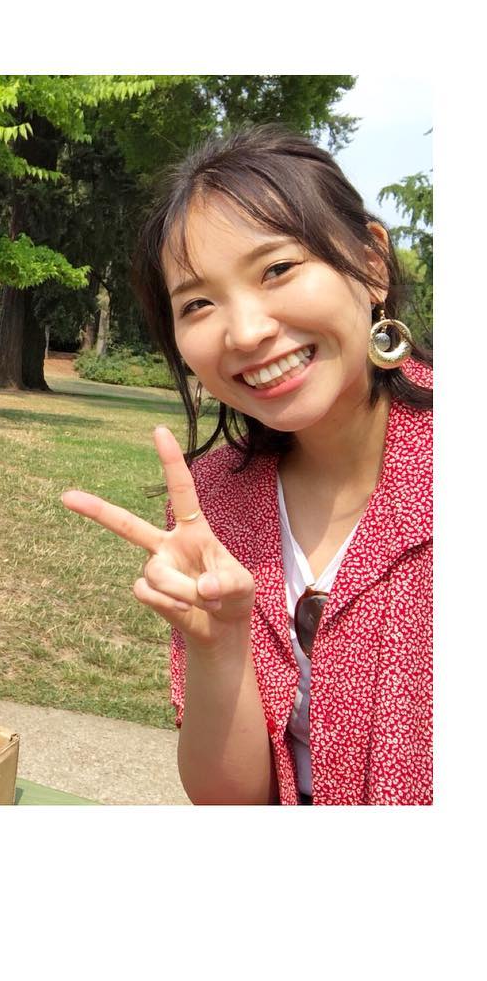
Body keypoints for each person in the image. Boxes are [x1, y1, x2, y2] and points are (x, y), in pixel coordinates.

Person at [63, 125, 432, 805]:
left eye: (277, 269)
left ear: (371, 264)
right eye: (198, 304)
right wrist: (218, 646)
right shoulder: (211, 507)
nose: (247, 332)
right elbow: (231, 802)